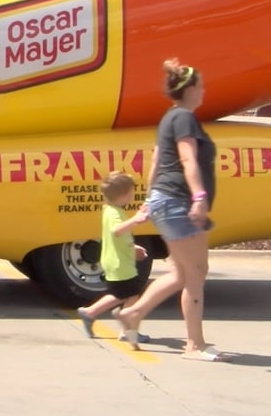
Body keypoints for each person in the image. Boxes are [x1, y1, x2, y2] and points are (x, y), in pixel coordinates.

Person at [116, 58, 227, 361]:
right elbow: (188, 159)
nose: (203, 91)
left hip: (168, 200)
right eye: (200, 86)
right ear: (190, 89)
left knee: (181, 273)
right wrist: (199, 195)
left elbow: (155, 160)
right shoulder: (183, 119)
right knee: (196, 273)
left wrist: (151, 198)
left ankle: (134, 313)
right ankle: (194, 345)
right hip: (179, 200)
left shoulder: (170, 118)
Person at [76, 171, 151, 340]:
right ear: (124, 195)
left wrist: (133, 247)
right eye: (131, 193)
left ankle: (112, 320)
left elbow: (120, 236)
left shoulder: (110, 210)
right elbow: (117, 231)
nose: (132, 196)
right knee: (127, 294)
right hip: (120, 263)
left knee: (125, 294)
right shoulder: (115, 214)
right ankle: (121, 327)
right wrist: (136, 219)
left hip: (117, 260)